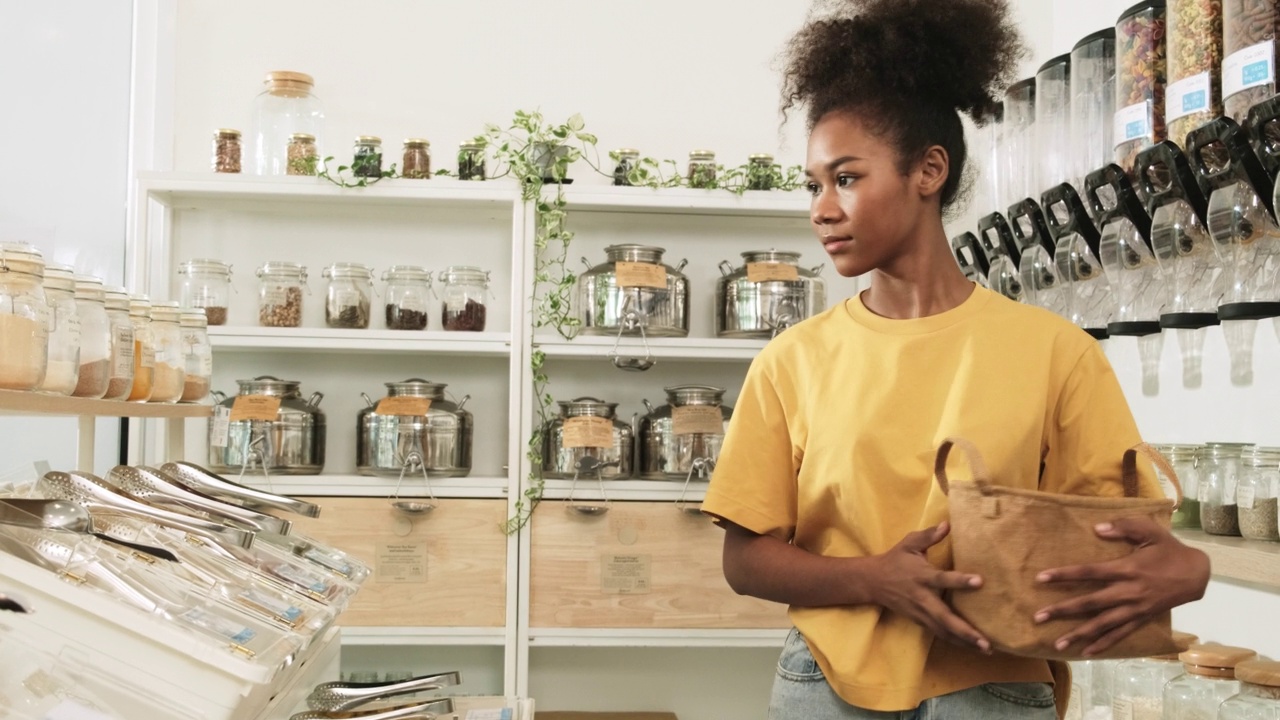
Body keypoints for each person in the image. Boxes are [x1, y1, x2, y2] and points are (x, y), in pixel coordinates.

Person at [699, 1, 1212, 718]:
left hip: (996, 687)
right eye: (813, 184)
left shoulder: (1054, 352)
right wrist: (875, 580)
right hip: (825, 686)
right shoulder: (792, 361)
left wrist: (1189, 567)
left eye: (846, 178)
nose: (821, 207)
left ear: (928, 170)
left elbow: (1129, 536)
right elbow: (745, 560)